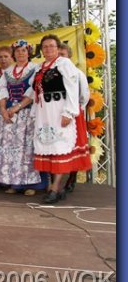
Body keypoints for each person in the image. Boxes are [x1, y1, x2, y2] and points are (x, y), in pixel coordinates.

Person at [26, 35, 91, 203]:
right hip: (44, 112)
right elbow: (33, 92)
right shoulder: (39, 67)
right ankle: (52, 187)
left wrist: (68, 112)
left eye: (51, 46)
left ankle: (55, 188)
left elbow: (72, 89)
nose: (48, 49)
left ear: (57, 48)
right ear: (41, 50)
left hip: (59, 108)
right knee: (47, 146)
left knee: (59, 146)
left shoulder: (64, 64)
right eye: (45, 46)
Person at [0, 40, 41, 195]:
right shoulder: (8, 71)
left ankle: (30, 184)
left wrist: (17, 107)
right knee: (9, 148)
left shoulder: (35, 68)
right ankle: (13, 182)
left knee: (27, 148)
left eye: (24, 50)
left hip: (27, 114)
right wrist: (3, 110)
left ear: (29, 53)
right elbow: (3, 91)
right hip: (9, 114)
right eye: (18, 51)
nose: (21, 53)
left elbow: (33, 92)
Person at [58, 43, 90, 192]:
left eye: (63, 55)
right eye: (59, 55)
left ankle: (71, 178)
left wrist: (75, 111)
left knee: (74, 146)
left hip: (73, 114)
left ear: (69, 56)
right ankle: (55, 182)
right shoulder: (52, 73)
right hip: (56, 113)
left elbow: (84, 96)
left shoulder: (77, 73)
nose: (60, 58)